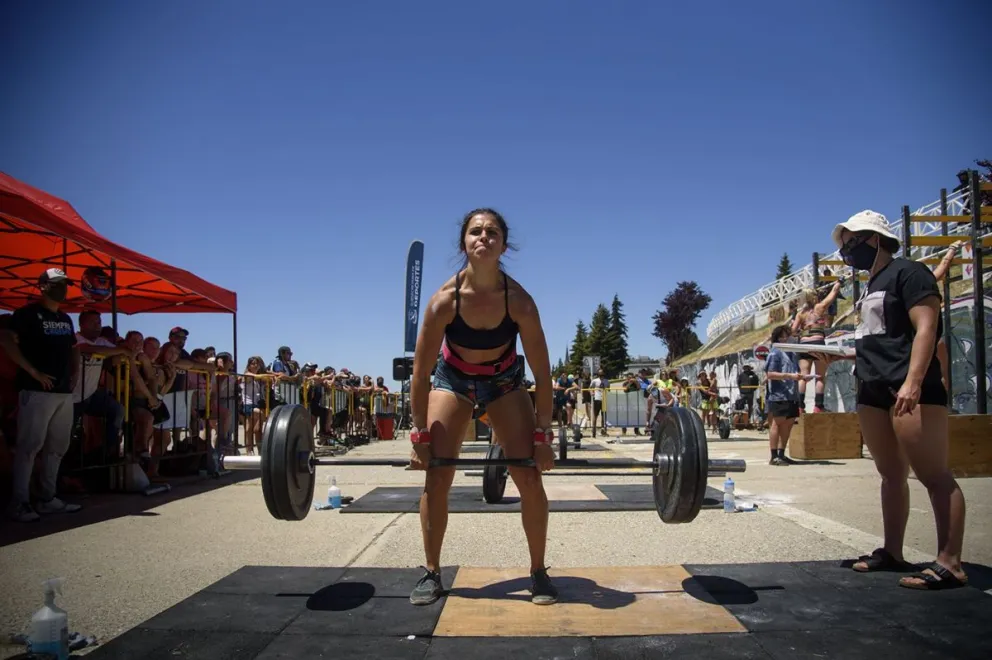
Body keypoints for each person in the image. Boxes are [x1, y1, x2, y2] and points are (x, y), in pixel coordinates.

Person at [408, 208, 557, 606]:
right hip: (451, 379)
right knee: (437, 475)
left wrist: (543, 436)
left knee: (528, 476)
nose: (484, 238)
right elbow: (420, 375)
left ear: (503, 245)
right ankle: (432, 572)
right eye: (476, 231)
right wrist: (419, 435)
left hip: (505, 380)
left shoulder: (520, 302)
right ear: (465, 243)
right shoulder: (444, 301)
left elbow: (543, 376)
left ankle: (539, 572)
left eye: (492, 232)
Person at [823, 210, 967, 589]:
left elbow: (926, 327)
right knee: (890, 474)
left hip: (907, 385)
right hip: (872, 387)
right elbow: (879, 337)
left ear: (874, 238)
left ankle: (949, 562)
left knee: (934, 474)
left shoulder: (909, 272)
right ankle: (892, 551)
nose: (846, 252)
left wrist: (914, 381)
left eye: (851, 243)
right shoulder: (870, 284)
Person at [1, 269, 82, 522]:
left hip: (62, 393)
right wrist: (33, 372)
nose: (63, 289)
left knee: (57, 447)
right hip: (35, 391)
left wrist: (75, 373)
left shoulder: (66, 319)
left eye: (65, 285)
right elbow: (5, 339)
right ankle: (19, 502)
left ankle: (48, 498)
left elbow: (73, 348)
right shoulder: (25, 315)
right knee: (29, 447)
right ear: (43, 286)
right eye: (57, 284)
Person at [764, 325, 814, 466]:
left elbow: (795, 372)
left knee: (788, 424)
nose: (787, 338)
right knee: (777, 424)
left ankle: (782, 453)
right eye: (783, 336)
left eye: (788, 335)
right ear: (778, 338)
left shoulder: (792, 353)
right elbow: (770, 374)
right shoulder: (775, 353)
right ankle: (774, 456)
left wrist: (803, 377)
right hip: (779, 395)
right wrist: (789, 376)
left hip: (792, 394)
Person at [791, 281, 842, 413]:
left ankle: (800, 406)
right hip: (817, 342)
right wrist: (837, 284)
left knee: (804, 376)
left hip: (803, 344)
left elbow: (793, 331)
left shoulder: (800, 313)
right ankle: (818, 406)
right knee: (820, 377)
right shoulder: (819, 308)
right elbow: (833, 294)